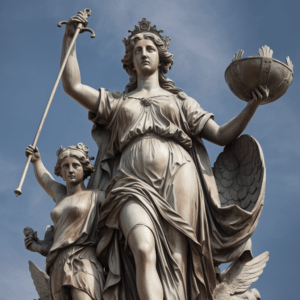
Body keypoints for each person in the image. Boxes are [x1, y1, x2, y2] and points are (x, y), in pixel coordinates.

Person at [60, 13, 269, 300]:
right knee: (143, 248)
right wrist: (70, 39)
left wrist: (251, 106)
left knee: (175, 260)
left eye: (150, 49)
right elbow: (72, 86)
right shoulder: (118, 102)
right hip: (131, 182)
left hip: (180, 176)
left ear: (161, 58)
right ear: (129, 62)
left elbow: (221, 135)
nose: (144, 54)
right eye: (137, 50)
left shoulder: (181, 101)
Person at [24, 143, 105, 300]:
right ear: (60, 171)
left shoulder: (97, 196)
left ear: (85, 168)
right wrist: (36, 161)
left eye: (75, 165)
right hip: (57, 264)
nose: (70, 170)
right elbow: (46, 179)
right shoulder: (61, 195)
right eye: (65, 166)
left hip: (83, 258)